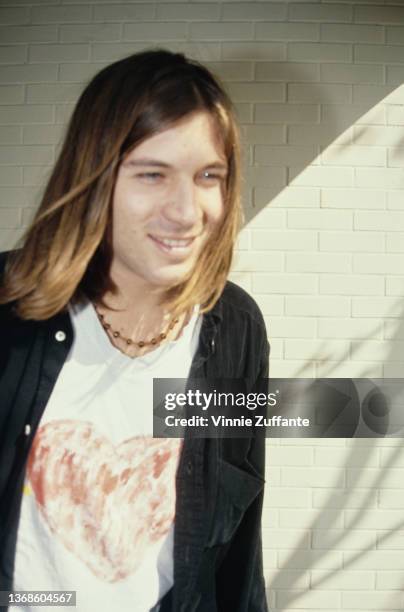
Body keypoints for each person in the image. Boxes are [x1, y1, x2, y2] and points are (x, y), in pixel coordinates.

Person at [0, 49, 269, 612]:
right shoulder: (9, 303)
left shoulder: (235, 328)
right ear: (94, 175)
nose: (187, 211)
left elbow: (239, 551)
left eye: (207, 177)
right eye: (152, 174)